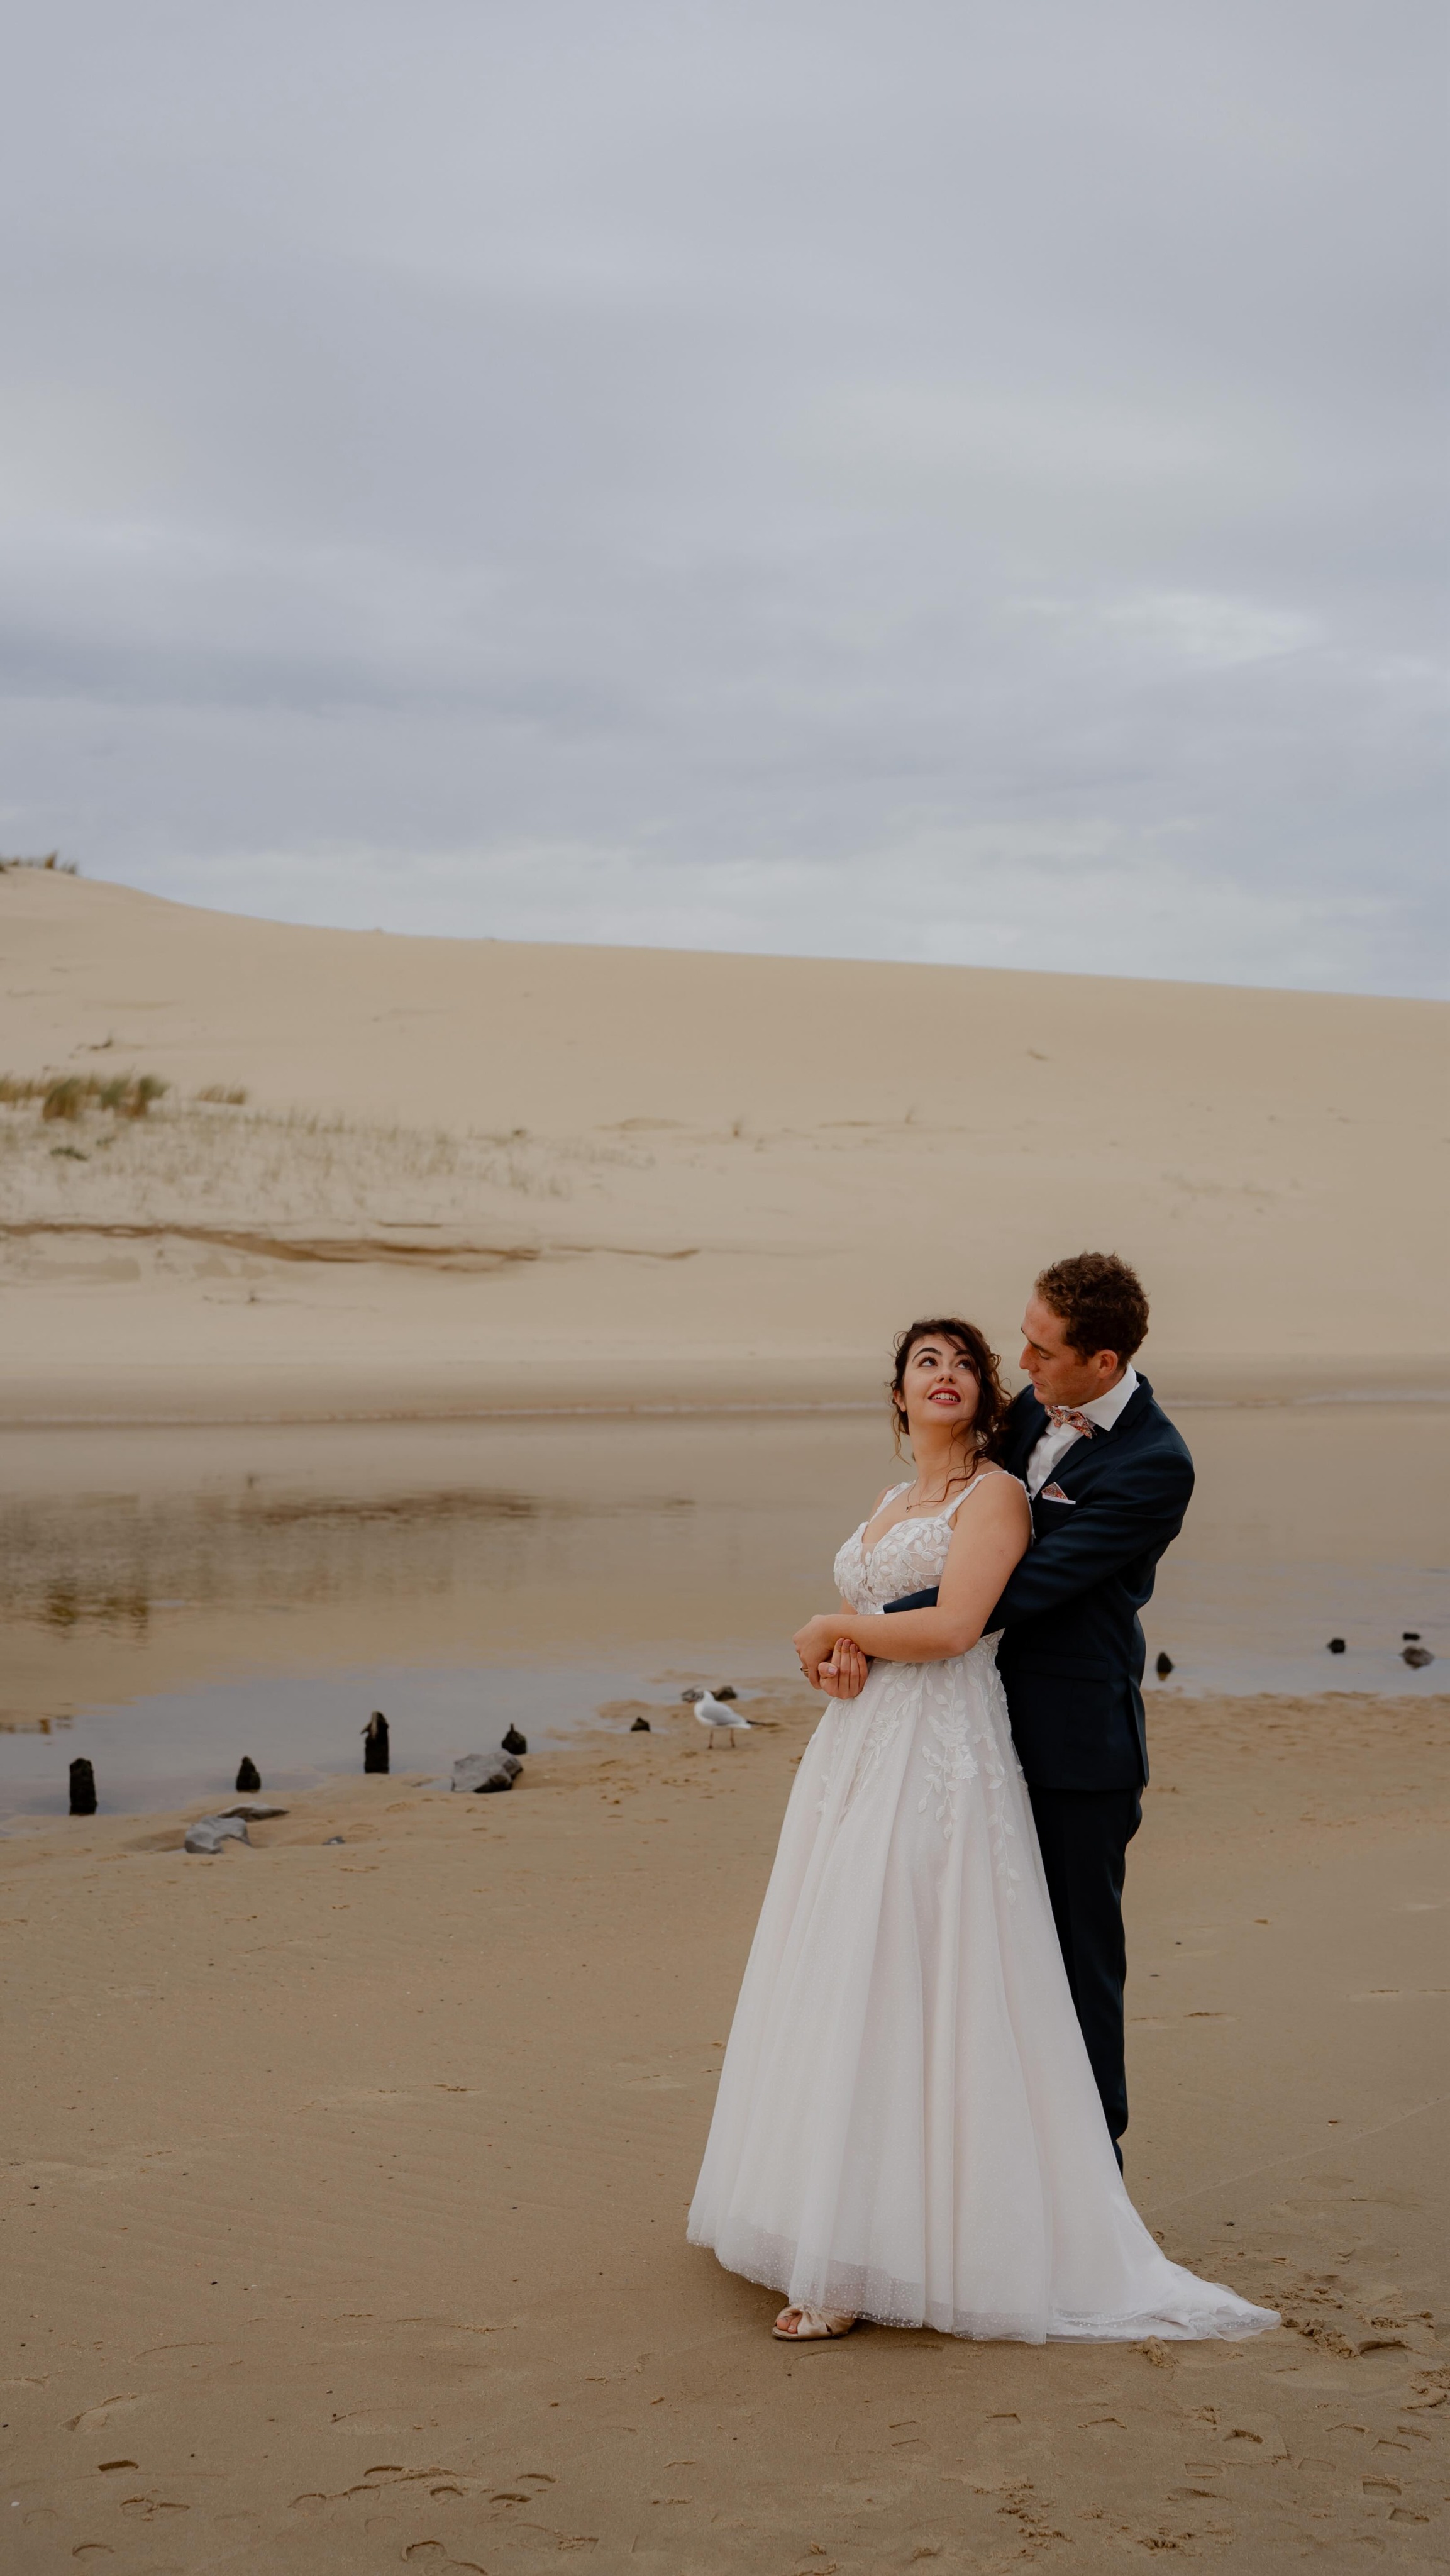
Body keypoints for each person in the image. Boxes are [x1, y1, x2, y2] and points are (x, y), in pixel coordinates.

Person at [686, 1314, 1276, 2348]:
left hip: (964, 1753)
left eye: (972, 1363)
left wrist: (837, 1631)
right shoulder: (913, 1490)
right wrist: (840, 1654)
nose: (952, 1373)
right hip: (861, 1754)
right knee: (840, 1970)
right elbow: (881, 1606)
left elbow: (961, 1620)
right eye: (928, 1363)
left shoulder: (1026, 1484)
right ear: (899, 1395)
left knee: (949, 1977)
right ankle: (823, 2219)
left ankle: (1030, 2221)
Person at [988, 1252, 1192, 2164]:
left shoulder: (1155, 1464)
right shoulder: (1029, 1409)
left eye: (1039, 1350)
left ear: (1101, 1363)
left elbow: (1022, 1586)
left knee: (1078, 1968)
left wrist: (876, 1628)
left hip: (1079, 1751)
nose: (1019, 1365)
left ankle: (1093, 2177)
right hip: (975, 1728)